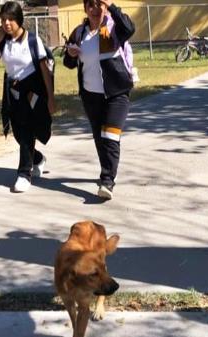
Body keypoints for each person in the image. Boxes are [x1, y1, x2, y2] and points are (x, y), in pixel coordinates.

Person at [63, 0, 135, 200]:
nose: (95, 9)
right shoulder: (80, 33)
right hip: (90, 95)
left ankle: (107, 180)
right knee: (99, 138)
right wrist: (70, 53)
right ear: (85, 8)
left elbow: (130, 28)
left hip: (117, 93)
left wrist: (111, 5)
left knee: (110, 136)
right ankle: (109, 170)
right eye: (91, 5)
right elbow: (68, 62)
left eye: (99, 4)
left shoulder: (113, 28)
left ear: (105, 6)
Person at [0, 1, 55, 193]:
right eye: (3, 20)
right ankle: (38, 159)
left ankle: (24, 174)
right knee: (18, 133)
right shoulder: (3, 41)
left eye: (11, 19)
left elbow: (45, 70)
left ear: (19, 20)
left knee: (27, 132)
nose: (7, 23)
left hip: (33, 93)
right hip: (13, 93)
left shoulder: (32, 41)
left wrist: (50, 98)